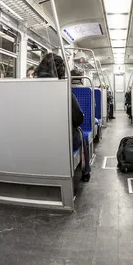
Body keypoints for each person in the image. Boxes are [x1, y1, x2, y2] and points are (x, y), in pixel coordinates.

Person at [34, 53, 90, 182]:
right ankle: (86, 171)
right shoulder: (64, 91)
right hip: (62, 140)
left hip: (38, 136)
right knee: (81, 135)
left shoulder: (31, 88)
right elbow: (78, 119)